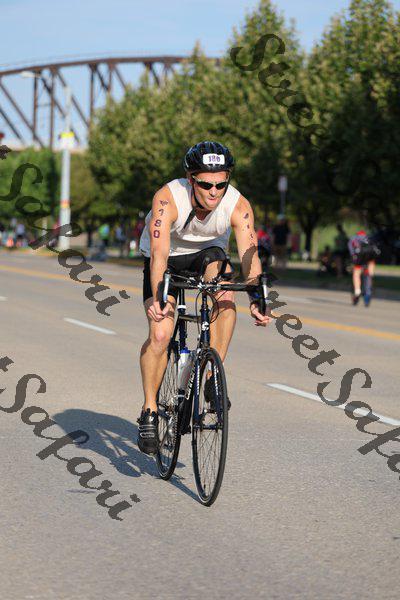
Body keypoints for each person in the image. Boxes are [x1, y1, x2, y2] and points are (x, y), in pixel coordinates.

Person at [137, 140, 272, 454]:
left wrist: (257, 297)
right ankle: (149, 409)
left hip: (207, 255)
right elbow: (159, 254)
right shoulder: (168, 198)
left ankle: (212, 375)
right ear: (190, 179)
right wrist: (159, 297)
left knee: (225, 290)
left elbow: (250, 255)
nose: (214, 192)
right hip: (166, 259)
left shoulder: (238, 205)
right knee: (161, 333)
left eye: (221, 184)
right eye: (206, 185)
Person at [348, 229, 380, 306]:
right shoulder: (370, 238)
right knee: (369, 275)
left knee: (356, 274)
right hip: (370, 259)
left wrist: (353, 258)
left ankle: (357, 290)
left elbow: (352, 252)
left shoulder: (353, 238)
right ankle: (369, 290)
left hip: (359, 259)